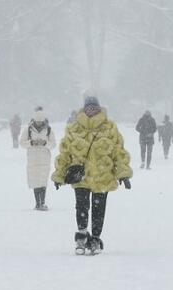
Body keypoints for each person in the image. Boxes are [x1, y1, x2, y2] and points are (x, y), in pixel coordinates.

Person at [52, 92, 132, 255]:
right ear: (84, 109)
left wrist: (123, 173)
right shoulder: (74, 129)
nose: (91, 110)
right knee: (81, 206)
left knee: (99, 209)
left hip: (103, 176)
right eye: (89, 107)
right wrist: (59, 174)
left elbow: (119, 152)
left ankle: (95, 238)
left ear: (99, 108)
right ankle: (81, 236)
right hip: (81, 177)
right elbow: (64, 154)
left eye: (94, 107)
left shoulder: (110, 128)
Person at [20, 106, 56, 210]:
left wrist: (45, 143)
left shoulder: (48, 130)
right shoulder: (28, 129)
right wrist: (31, 142)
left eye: (41, 122)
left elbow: (53, 143)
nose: (39, 123)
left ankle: (42, 202)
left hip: (45, 158)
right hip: (33, 158)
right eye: (37, 122)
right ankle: (37, 203)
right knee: (35, 180)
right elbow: (22, 142)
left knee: (43, 180)